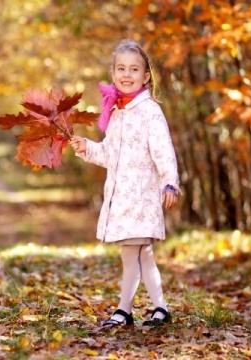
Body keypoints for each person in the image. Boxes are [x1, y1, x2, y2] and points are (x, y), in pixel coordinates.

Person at [69, 39, 180, 327]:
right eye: (121, 69)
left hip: (141, 196)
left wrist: (170, 183)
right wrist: (86, 148)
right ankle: (161, 308)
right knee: (143, 254)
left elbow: (163, 151)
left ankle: (124, 310)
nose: (127, 74)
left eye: (134, 69)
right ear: (113, 73)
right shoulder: (117, 111)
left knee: (132, 254)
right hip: (121, 198)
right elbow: (109, 154)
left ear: (145, 77)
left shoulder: (149, 111)